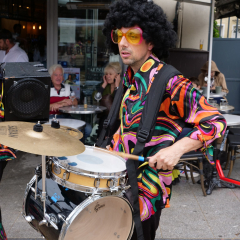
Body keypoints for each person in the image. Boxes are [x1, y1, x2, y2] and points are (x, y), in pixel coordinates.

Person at [102, 1, 227, 239]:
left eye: (132, 35)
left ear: (151, 41)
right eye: (119, 34)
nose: (123, 42)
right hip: (121, 180)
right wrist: (110, 147)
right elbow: (131, 128)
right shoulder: (129, 77)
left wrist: (178, 148)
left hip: (147, 191)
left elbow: (215, 121)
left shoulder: (170, 81)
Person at [49, 64, 92, 141]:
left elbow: (75, 102)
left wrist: (62, 104)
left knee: (87, 129)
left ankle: (77, 149)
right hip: (51, 118)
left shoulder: (68, 87)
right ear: (51, 76)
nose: (58, 77)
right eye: (56, 75)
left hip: (66, 117)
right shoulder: (46, 89)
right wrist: (61, 102)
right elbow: (42, 107)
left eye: (61, 75)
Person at [94, 62, 122, 137]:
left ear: (117, 75)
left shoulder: (123, 86)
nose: (108, 76)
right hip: (105, 118)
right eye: (106, 74)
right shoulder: (105, 86)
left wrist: (117, 86)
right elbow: (96, 98)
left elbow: (118, 101)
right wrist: (103, 85)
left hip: (117, 119)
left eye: (110, 74)